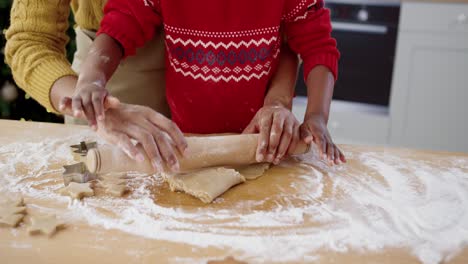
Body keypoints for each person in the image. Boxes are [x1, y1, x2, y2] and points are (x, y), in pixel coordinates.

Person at [4, 0, 304, 169]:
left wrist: (277, 100)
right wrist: (93, 104)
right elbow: (31, 40)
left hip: (232, 71)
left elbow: (292, 24)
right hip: (111, 79)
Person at [63, 0, 346, 172]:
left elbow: (317, 44)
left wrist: (317, 116)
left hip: (263, 144)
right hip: (189, 142)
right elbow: (122, 22)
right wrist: (92, 78)